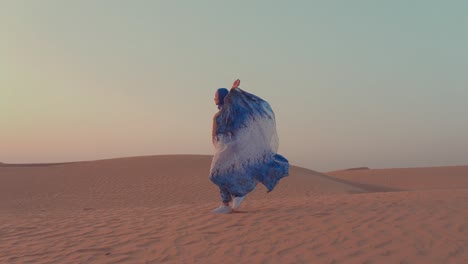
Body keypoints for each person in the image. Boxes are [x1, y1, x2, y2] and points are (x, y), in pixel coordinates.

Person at [210, 79, 289, 214]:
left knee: (216, 174)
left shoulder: (231, 113)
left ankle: (233, 198)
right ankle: (228, 202)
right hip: (222, 148)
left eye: (216, 96)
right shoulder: (217, 115)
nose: (214, 98)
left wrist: (233, 90)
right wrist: (217, 146)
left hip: (233, 146)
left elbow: (232, 104)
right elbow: (214, 134)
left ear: (222, 97)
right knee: (221, 174)